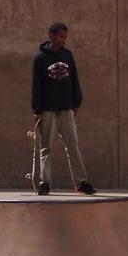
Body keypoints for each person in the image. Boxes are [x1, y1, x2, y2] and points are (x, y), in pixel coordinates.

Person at [31, 22, 96, 195]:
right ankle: (45, 183)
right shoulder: (40, 59)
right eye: (60, 36)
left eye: (65, 37)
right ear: (51, 36)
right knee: (46, 148)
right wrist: (37, 110)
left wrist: (76, 102)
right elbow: (36, 85)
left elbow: (74, 79)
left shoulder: (68, 55)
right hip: (48, 110)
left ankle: (81, 183)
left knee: (72, 146)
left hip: (67, 109)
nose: (63, 40)